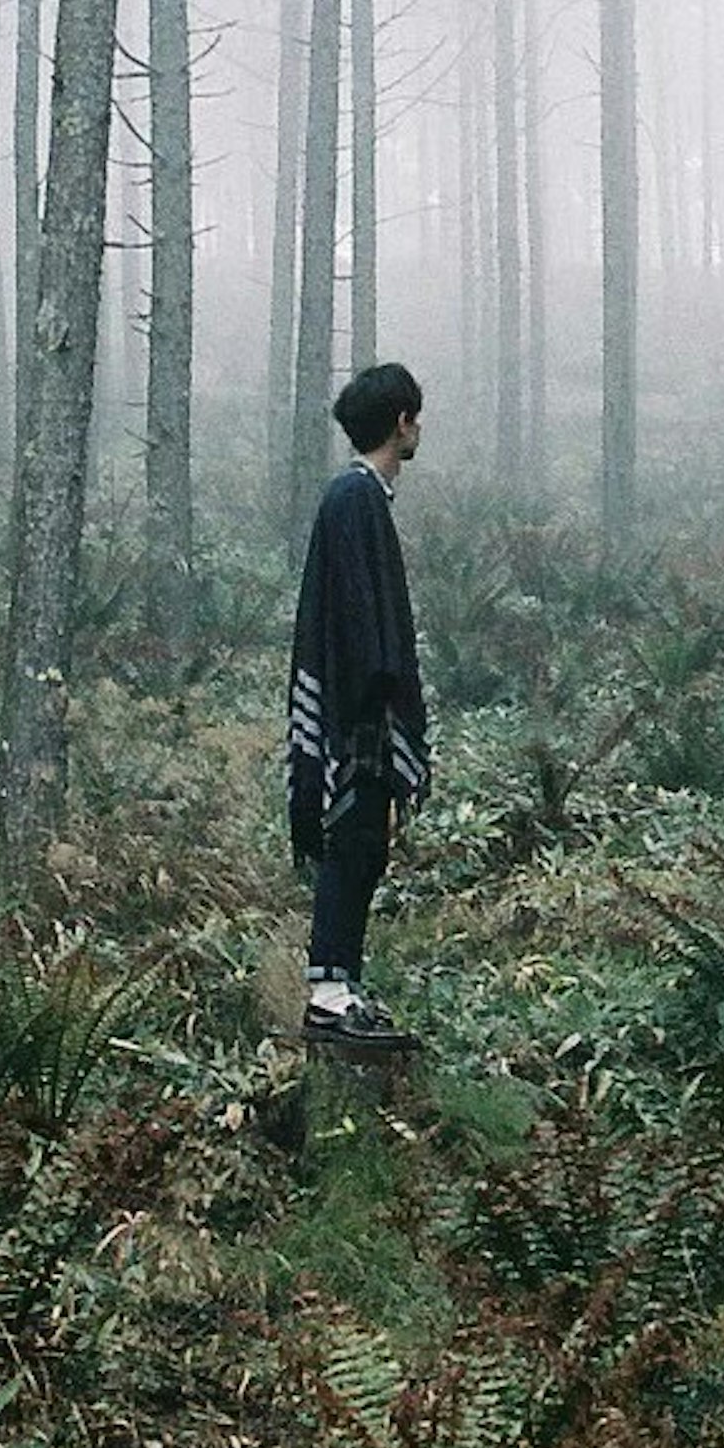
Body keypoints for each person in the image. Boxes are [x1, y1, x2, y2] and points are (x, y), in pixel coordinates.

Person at [288, 362, 430, 1052]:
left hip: (360, 712)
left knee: (364, 848)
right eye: (415, 418)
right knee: (351, 845)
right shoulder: (354, 498)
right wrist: (378, 699)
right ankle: (327, 995)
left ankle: (340, 987)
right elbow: (357, 617)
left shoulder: (359, 497)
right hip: (356, 717)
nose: (418, 430)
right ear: (400, 421)